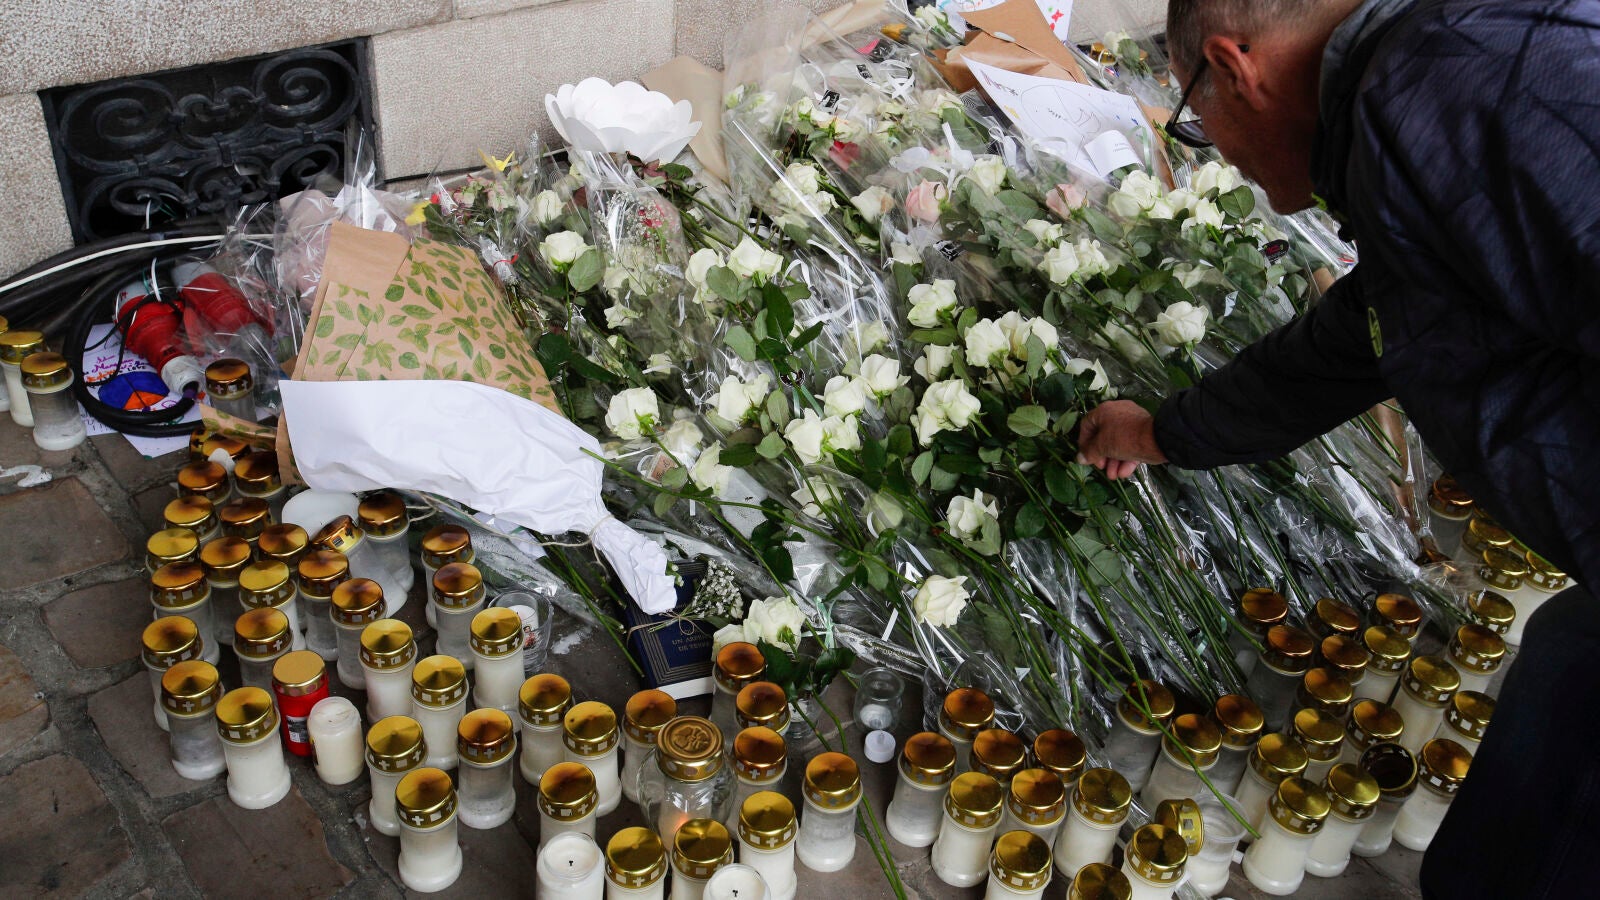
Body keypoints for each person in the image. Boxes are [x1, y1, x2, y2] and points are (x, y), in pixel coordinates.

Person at [1074, 0, 1600, 896]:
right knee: (1561, 678)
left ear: (1234, 68)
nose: (1216, 151)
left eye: (1195, 115)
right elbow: (1366, 332)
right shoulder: (1415, 95)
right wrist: (1166, 432)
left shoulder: (1453, 95)